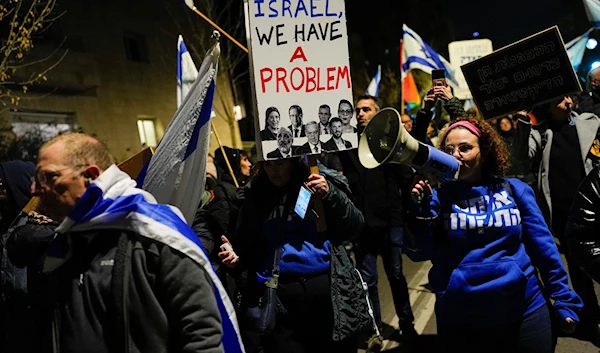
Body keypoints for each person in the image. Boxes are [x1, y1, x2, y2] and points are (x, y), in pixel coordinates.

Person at [25, 133, 242, 353]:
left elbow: (203, 336)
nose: (34, 189)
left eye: (48, 177)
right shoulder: (66, 242)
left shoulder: (158, 237)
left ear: (90, 176)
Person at [409, 117, 582, 353]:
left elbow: (544, 249)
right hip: (460, 319)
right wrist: (421, 212)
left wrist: (562, 299)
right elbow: (420, 253)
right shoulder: (437, 198)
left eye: (465, 148)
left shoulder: (514, 190)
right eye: (449, 150)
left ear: (486, 152)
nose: (456, 155)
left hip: (525, 311)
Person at [229, 157, 367, 353]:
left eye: (279, 163)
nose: (273, 171)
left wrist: (331, 194)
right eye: (268, 164)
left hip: (327, 288)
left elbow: (354, 226)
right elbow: (246, 243)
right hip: (280, 293)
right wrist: (235, 257)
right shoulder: (255, 196)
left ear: (292, 162)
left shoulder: (318, 181)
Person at [336, 94, 433, 350]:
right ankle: (375, 331)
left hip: (391, 223)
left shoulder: (389, 144)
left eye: (366, 109)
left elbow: (411, 160)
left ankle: (407, 325)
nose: (360, 114)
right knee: (367, 281)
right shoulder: (348, 145)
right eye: (357, 110)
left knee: (396, 276)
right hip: (364, 228)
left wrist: (425, 113)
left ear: (376, 113)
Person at [516, 96, 600, 335]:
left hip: (595, 207)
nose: (567, 101)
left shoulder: (589, 123)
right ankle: (592, 318)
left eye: (568, 96)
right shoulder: (540, 133)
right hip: (565, 214)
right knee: (578, 268)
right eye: (560, 98)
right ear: (548, 103)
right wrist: (522, 119)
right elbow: (522, 157)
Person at [0, 160, 36, 353]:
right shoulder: (7, 218)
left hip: (34, 315)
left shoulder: (42, 219)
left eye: (0, 184)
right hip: (11, 312)